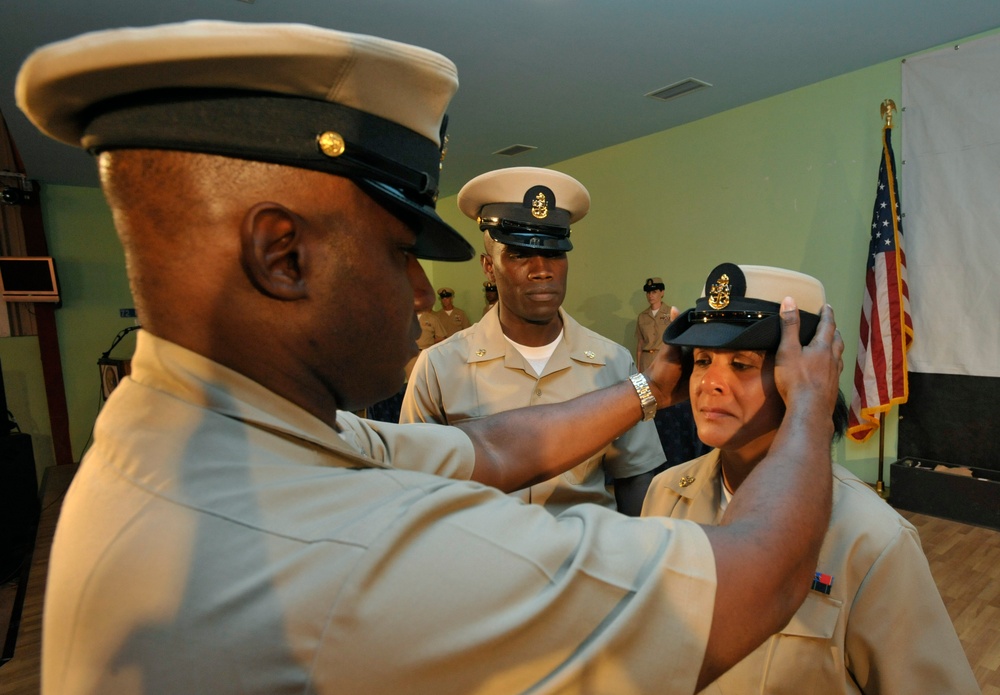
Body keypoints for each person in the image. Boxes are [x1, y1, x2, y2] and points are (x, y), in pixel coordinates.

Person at [17, 20, 845, 695]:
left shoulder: (206, 434)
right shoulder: (333, 550)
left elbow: (495, 447)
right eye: (395, 251)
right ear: (283, 254)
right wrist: (808, 401)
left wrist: (646, 385)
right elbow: (758, 578)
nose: (419, 290)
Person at [642, 262, 980, 695]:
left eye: (742, 364)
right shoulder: (667, 492)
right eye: (703, 360)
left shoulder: (870, 538)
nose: (711, 382)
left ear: (805, 375)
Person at [401, 167, 666, 516]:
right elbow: (412, 487)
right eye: (519, 254)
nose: (542, 269)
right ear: (487, 266)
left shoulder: (612, 362)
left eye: (555, 253)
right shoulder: (439, 366)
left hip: (583, 560)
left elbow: (635, 477)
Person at [637, 275, 710, 469]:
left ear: (661, 292)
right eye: (648, 292)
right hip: (647, 360)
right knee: (648, 412)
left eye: (654, 291)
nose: (651, 295)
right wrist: (638, 369)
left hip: (665, 360)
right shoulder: (642, 317)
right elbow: (640, 344)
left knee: (670, 412)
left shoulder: (669, 313)